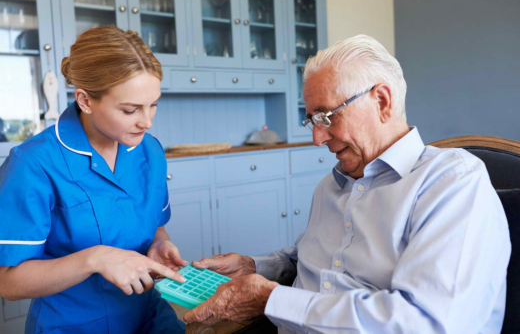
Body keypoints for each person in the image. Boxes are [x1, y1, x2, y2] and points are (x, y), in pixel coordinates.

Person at [183, 35, 512, 333]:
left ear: (382, 101)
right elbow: (314, 259)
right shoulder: (331, 187)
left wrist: (271, 300)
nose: (317, 138)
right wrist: (256, 267)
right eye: (312, 119)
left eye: (326, 117)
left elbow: (425, 323)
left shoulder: (451, 182)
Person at [0, 26, 187, 334]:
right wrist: (95, 259)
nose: (147, 121)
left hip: (149, 316)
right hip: (73, 325)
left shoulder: (149, 150)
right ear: (85, 100)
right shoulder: (33, 163)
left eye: (153, 104)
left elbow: (156, 226)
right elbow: (8, 282)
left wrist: (159, 244)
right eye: (130, 110)